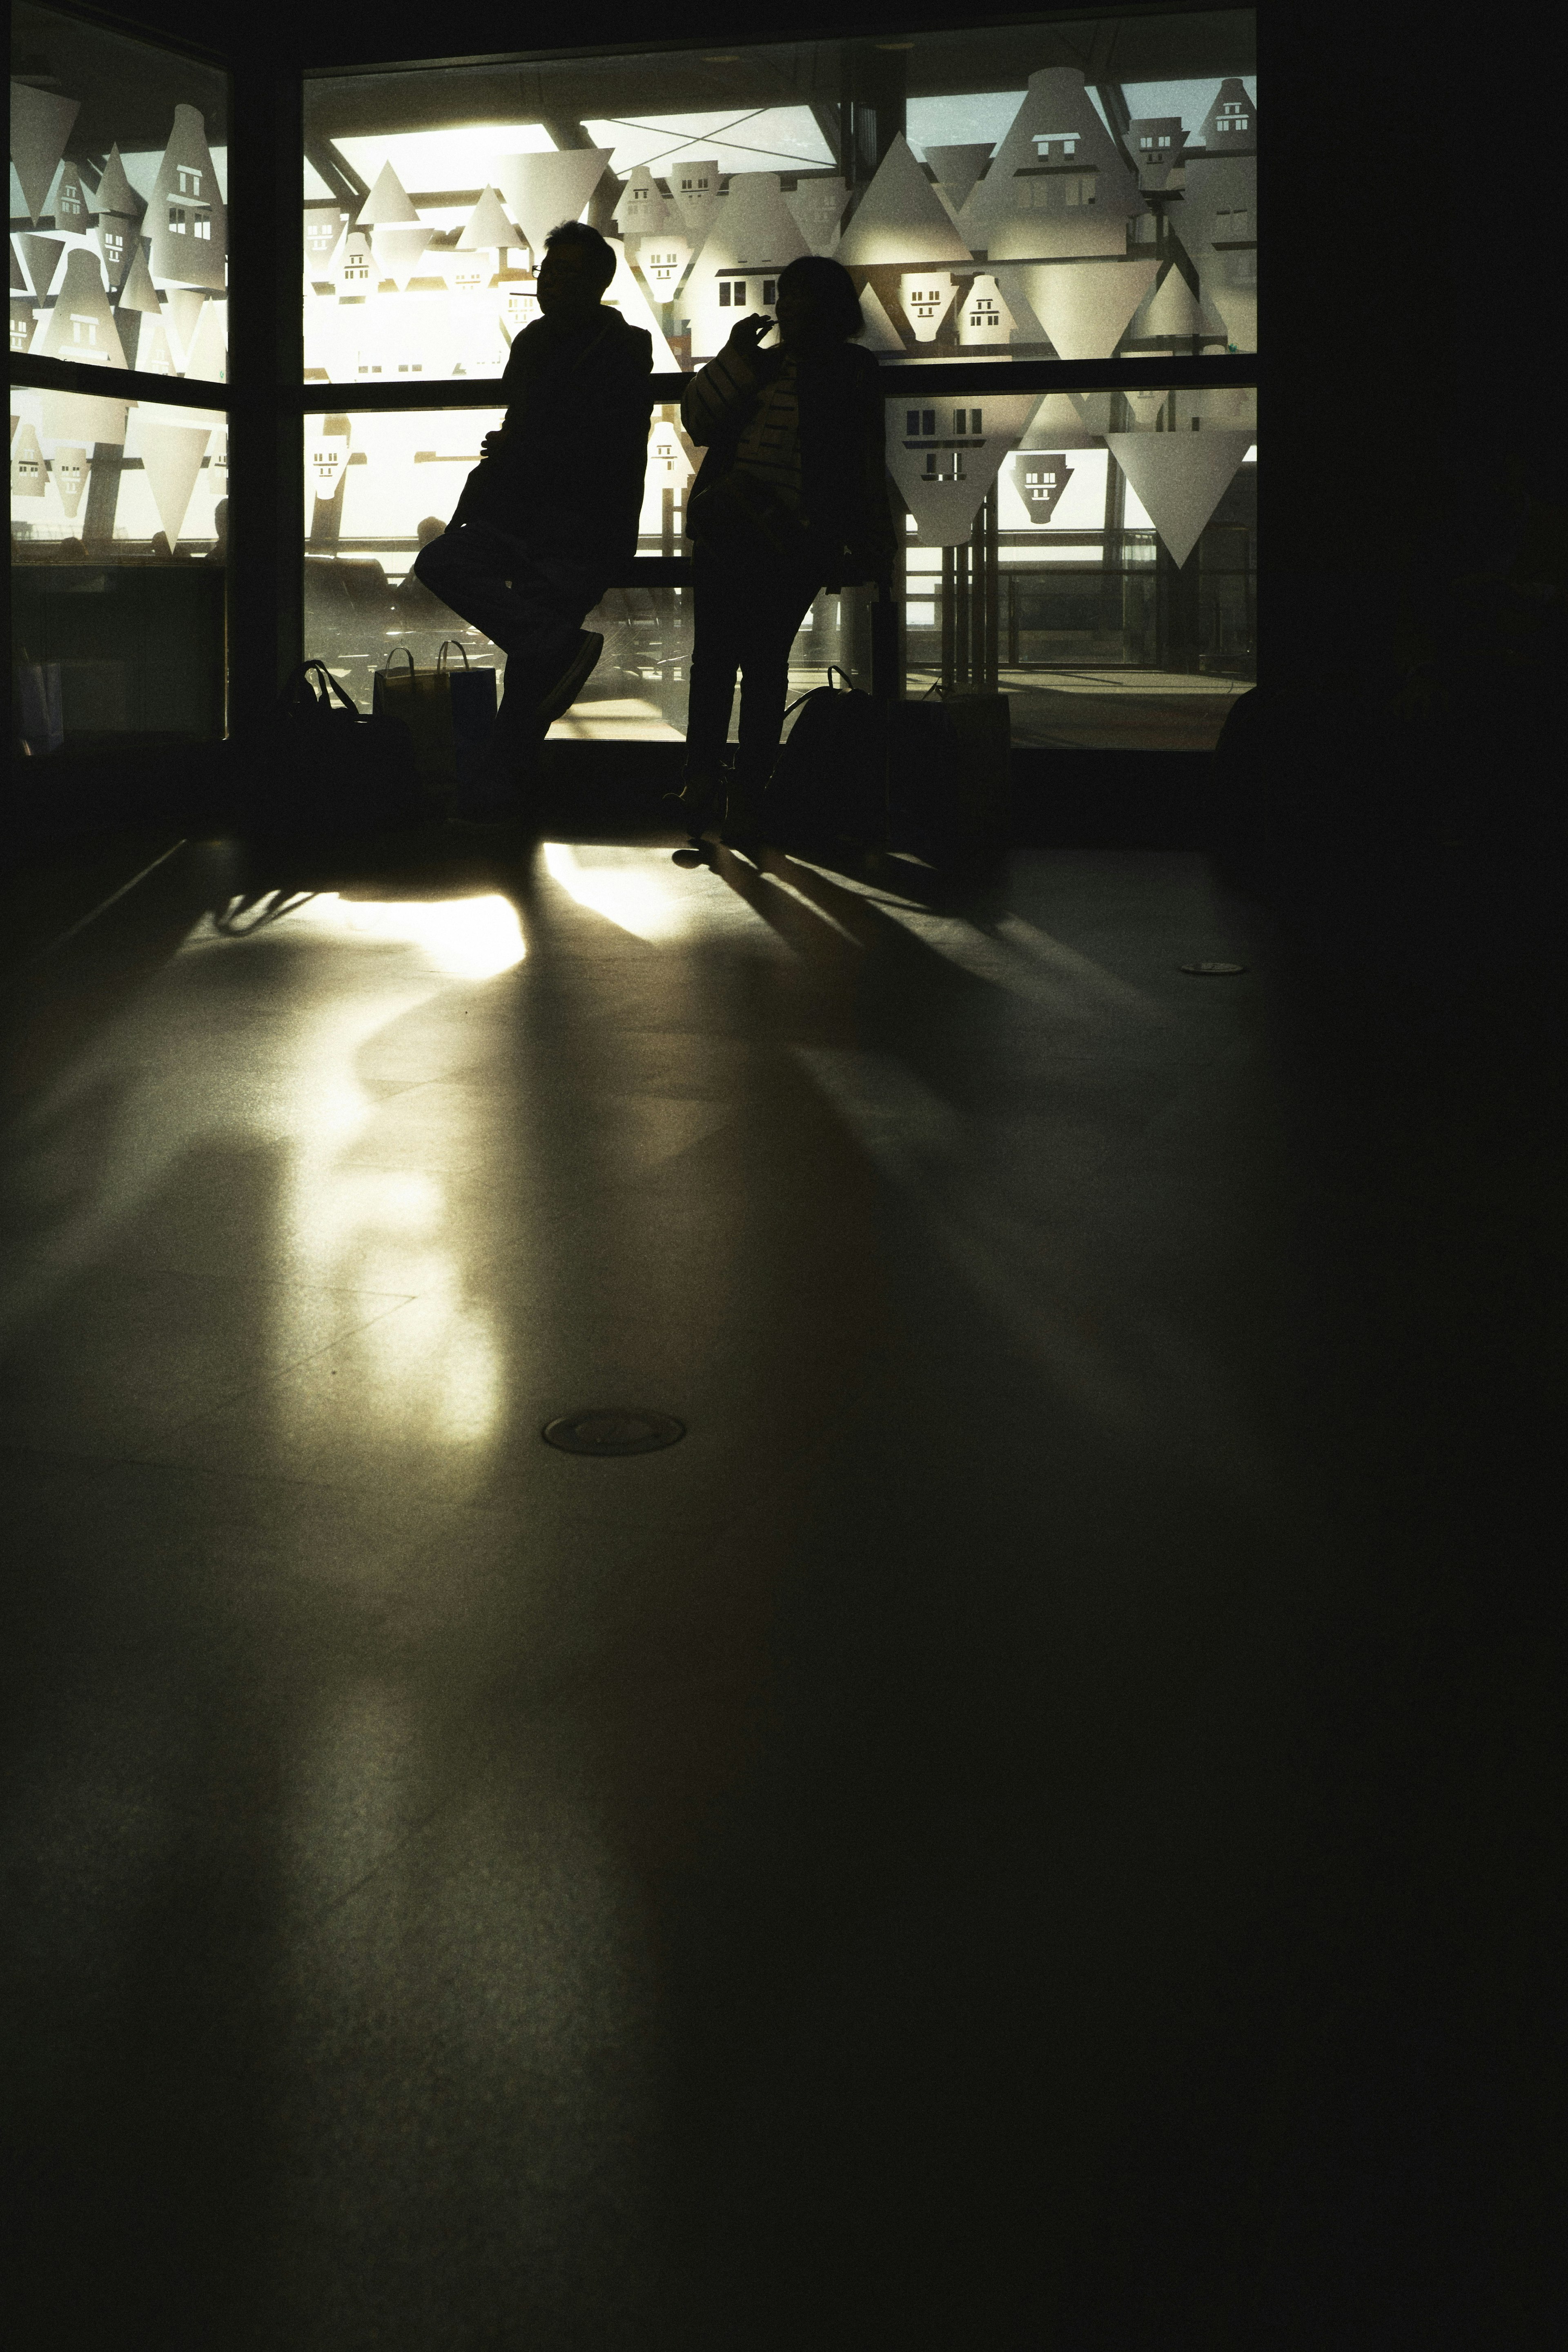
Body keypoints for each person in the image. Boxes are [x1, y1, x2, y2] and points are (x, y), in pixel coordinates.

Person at [413, 220, 653, 827]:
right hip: (571, 527)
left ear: (597, 282)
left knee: (470, 591)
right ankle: (501, 788)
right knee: (534, 663)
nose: (553, 285)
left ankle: (499, 789)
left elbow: (552, 429)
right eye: (550, 273)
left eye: (566, 274)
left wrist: (518, 448)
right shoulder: (616, 346)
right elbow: (579, 434)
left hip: (553, 523)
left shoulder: (556, 345)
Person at [673, 253, 897, 847]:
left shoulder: (782, 368)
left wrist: (736, 359)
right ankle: (744, 790)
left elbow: (699, 422)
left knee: (722, 660)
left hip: (746, 529)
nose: (789, 307)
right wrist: (873, 539)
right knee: (755, 662)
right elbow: (865, 463)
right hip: (790, 535)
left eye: (800, 296)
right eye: (787, 295)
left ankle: (707, 783)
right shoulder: (847, 370)